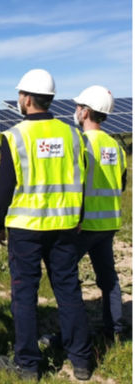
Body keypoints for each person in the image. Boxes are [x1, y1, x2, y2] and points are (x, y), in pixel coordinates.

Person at [0, 69, 93, 381]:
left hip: (26, 229)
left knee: (24, 294)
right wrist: (79, 216)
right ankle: (82, 361)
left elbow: (5, 187)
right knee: (68, 290)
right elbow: (82, 178)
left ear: (25, 98)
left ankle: (28, 365)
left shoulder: (15, 136)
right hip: (65, 225)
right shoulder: (72, 134)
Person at [74, 85, 127, 339]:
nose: (75, 111)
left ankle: (73, 330)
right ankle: (115, 329)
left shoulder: (81, 144)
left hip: (84, 225)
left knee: (63, 275)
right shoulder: (116, 146)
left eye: (77, 107)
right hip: (109, 223)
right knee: (108, 277)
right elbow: (122, 182)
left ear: (85, 112)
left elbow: (77, 185)